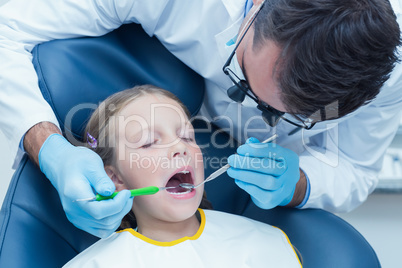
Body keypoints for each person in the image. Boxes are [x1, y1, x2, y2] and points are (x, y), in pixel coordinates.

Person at [0, 0, 401, 238]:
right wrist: (50, 148)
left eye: (188, 138)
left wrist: (298, 184)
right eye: (243, 80)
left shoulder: (389, 76)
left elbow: (353, 167)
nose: (183, 150)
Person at [63, 85, 302, 267]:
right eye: (148, 143)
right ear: (115, 179)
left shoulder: (262, 242)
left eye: (187, 136)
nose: (180, 147)